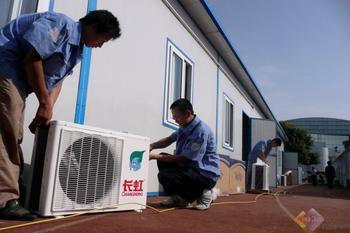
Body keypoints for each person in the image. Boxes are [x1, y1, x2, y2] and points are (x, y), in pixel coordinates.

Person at [0, 10, 121, 220]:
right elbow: (32, 58)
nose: (100, 46)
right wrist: (44, 102)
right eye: (103, 40)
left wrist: (46, 108)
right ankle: (5, 199)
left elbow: (56, 82)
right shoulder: (62, 25)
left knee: (14, 133)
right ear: (93, 27)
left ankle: (12, 190)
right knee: (7, 134)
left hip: (18, 82)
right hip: (5, 68)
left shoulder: (77, 51)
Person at [149, 99, 220, 210]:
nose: (175, 120)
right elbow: (169, 139)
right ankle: (182, 199)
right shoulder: (185, 126)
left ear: (187, 113)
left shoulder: (200, 131)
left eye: (177, 117)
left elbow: (185, 159)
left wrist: (154, 156)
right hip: (191, 168)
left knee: (165, 175)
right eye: (174, 117)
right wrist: (151, 146)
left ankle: (205, 191)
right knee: (163, 161)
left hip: (205, 174)